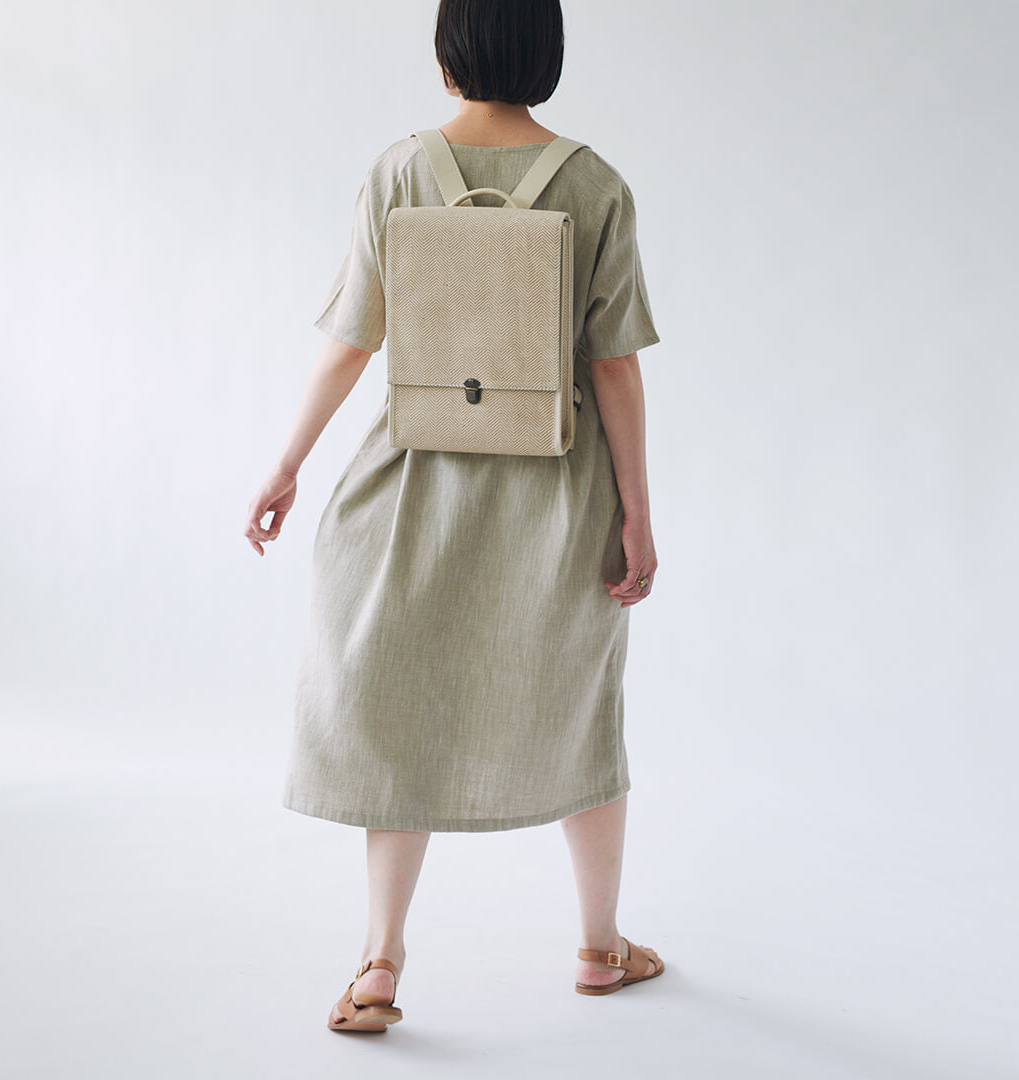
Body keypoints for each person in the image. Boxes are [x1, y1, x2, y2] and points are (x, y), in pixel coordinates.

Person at [244, 0, 665, 1032]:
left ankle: (379, 962)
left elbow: (352, 341)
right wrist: (638, 515)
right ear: (548, 55)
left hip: (413, 481)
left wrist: (288, 464)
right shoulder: (596, 186)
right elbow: (614, 367)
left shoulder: (398, 173)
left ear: (447, 59)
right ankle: (599, 947)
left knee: (397, 713)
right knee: (578, 703)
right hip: (557, 488)